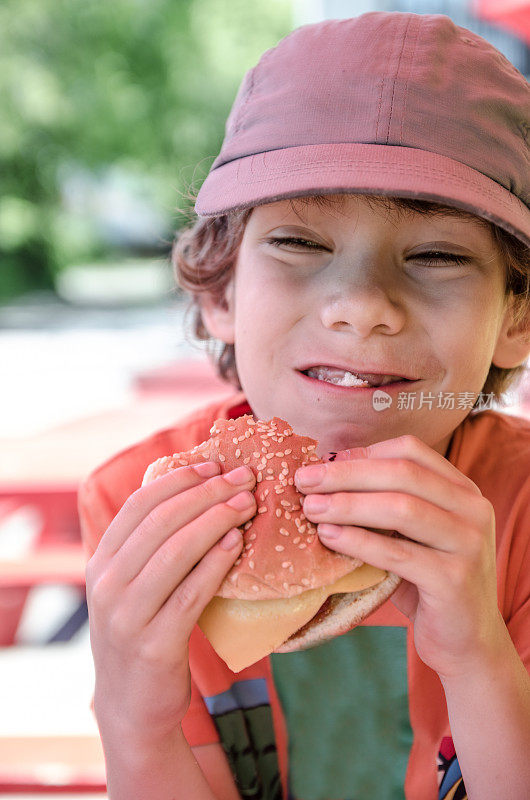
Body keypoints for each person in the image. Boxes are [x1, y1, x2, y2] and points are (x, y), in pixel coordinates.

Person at [78, 11, 530, 800]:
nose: (360, 306)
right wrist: (134, 718)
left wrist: (477, 657)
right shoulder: (141, 507)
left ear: (516, 320)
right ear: (221, 289)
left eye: (436, 255)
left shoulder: (521, 509)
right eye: (298, 243)